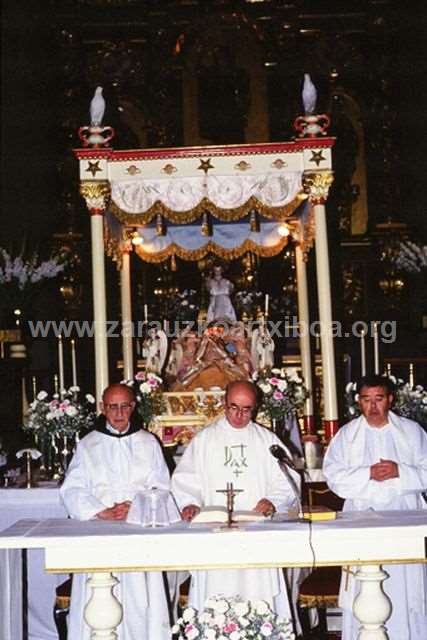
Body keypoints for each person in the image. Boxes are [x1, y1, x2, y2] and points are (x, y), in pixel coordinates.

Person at [171, 380, 300, 622]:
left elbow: (288, 479)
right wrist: (189, 502)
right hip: (214, 532)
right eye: (233, 407)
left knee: (257, 591)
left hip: (256, 532)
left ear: (256, 408)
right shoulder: (205, 440)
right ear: (223, 403)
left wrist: (272, 500)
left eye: (247, 409)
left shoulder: (267, 441)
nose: (239, 415)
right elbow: (186, 478)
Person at [60, 383, 172, 640]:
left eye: (124, 406)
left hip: (139, 529)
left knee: (142, 600)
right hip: (99, 530)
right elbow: (72, 489)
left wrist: (139, 505)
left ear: (133, 407)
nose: (119, 412)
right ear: (103, 408)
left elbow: (162, 485)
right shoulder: (88, 444)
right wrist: (102, 511)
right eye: (113, 406)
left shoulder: (148, 442)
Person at [323, 374, 427, 640]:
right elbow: (333, 476)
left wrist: (399, 471)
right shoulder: (347, 435)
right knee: (364, 585)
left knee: (403, 588)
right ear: (358, 401)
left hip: (404, 516)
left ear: (390, 399)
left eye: (378, 399)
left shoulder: (412, 432)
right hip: (361, 516)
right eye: (366, 400)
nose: (372, 407)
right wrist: (367, 473)